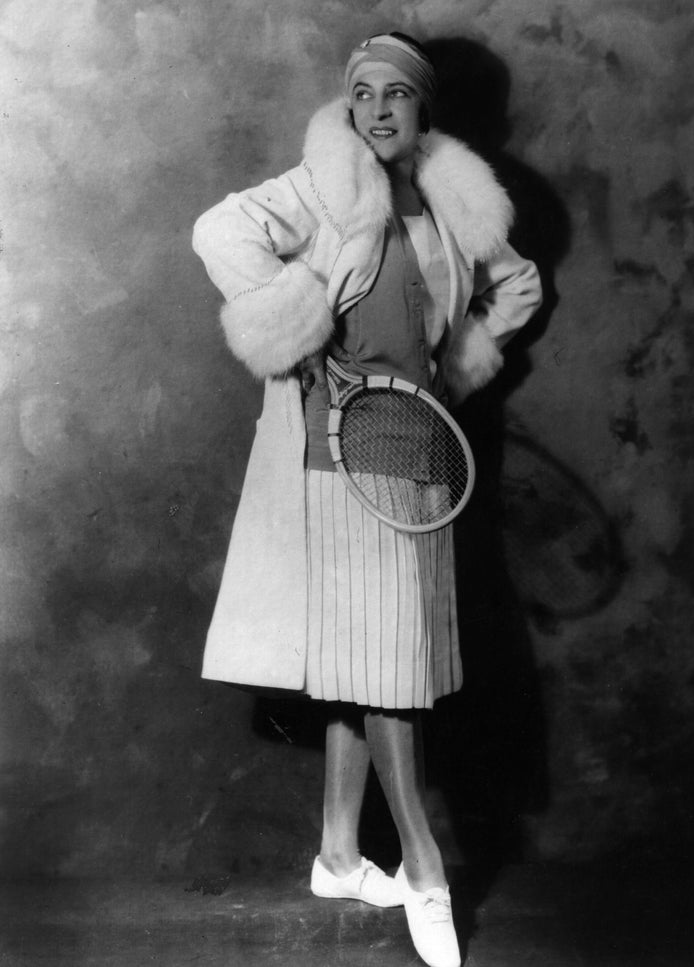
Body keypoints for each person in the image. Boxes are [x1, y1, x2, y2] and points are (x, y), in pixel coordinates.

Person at [193, 31, 541, 967]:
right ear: (347, 107)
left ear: (423, 109)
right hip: (334, 456)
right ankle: (426, 869)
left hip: (421, 447)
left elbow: (516, 284)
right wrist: (297, 323)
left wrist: (459, 366)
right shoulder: (322, 188)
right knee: (388, 668)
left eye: (396, 94)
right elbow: (217, 232)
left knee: (372, 660)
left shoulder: (452, 201)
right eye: (362, 94)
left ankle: (341, 855)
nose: (378, 110)